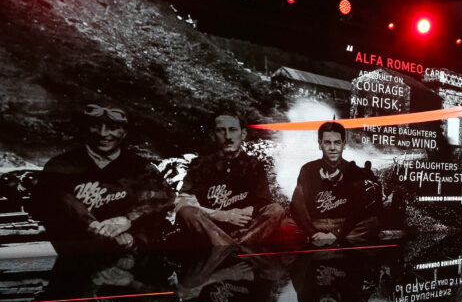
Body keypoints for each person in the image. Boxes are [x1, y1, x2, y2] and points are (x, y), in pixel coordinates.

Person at [32, 104, 173, 253]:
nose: (103, 133)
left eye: (113, 127)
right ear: (85, 127)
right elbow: (45, 204)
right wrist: (91, 226)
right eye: (95, 125)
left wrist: (128, 222)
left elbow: (165, 201)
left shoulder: (141, 167)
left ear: (124, 132)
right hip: (78, 255)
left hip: (133, 253)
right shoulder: (60, 166)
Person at [176, 113, 285, 246]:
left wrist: (246, 212)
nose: (228, 137)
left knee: (276, 210)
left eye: (233, 130)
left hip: (245, 229)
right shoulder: (200, 165)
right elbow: (182, 202)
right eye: (221, 131)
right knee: (187, 212)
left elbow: (264, 202)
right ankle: (238, 251)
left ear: (243, 134)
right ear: (212, 135)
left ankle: (230, 249)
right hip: (212, 229)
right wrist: (222, 215)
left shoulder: (254, 165)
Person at [290, 121, 378, 246]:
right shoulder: (307, 169)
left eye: (337, 142)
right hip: (314, 223)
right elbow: (297, 206)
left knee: (372, 222)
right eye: (327, 142)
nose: (332, 148)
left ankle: (333, 240)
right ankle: (333, 241)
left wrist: (335, 234)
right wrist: (313, 232)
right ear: (320, 144)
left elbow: (358, 209)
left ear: (344, 144)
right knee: (286, 224)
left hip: (344, 225)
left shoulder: (354, 171)